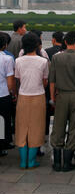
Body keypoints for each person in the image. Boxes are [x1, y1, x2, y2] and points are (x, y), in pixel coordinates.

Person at [50, 31, 75, 172]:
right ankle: (67, 162)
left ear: (65, 42)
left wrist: (53, 97)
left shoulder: (56, 58)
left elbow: (52, 81)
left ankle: (56, 162)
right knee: (74, 128)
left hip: (61, 95)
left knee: (58, 126)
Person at [14, 33, 49, 169]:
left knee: (22, 127)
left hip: (23, 96)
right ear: (37, 45)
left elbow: (18, 78)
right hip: (38, 96)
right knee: (36, 127)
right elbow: (44, 81)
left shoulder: (18, 60)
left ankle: (23, 161)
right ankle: (31, 161)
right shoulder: (43, 61)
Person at [0, 35, 15, 157]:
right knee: (2, 121)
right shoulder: (7, 59)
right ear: (5, 45)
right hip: (3, 94)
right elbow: (10, 82)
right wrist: (13, 93)